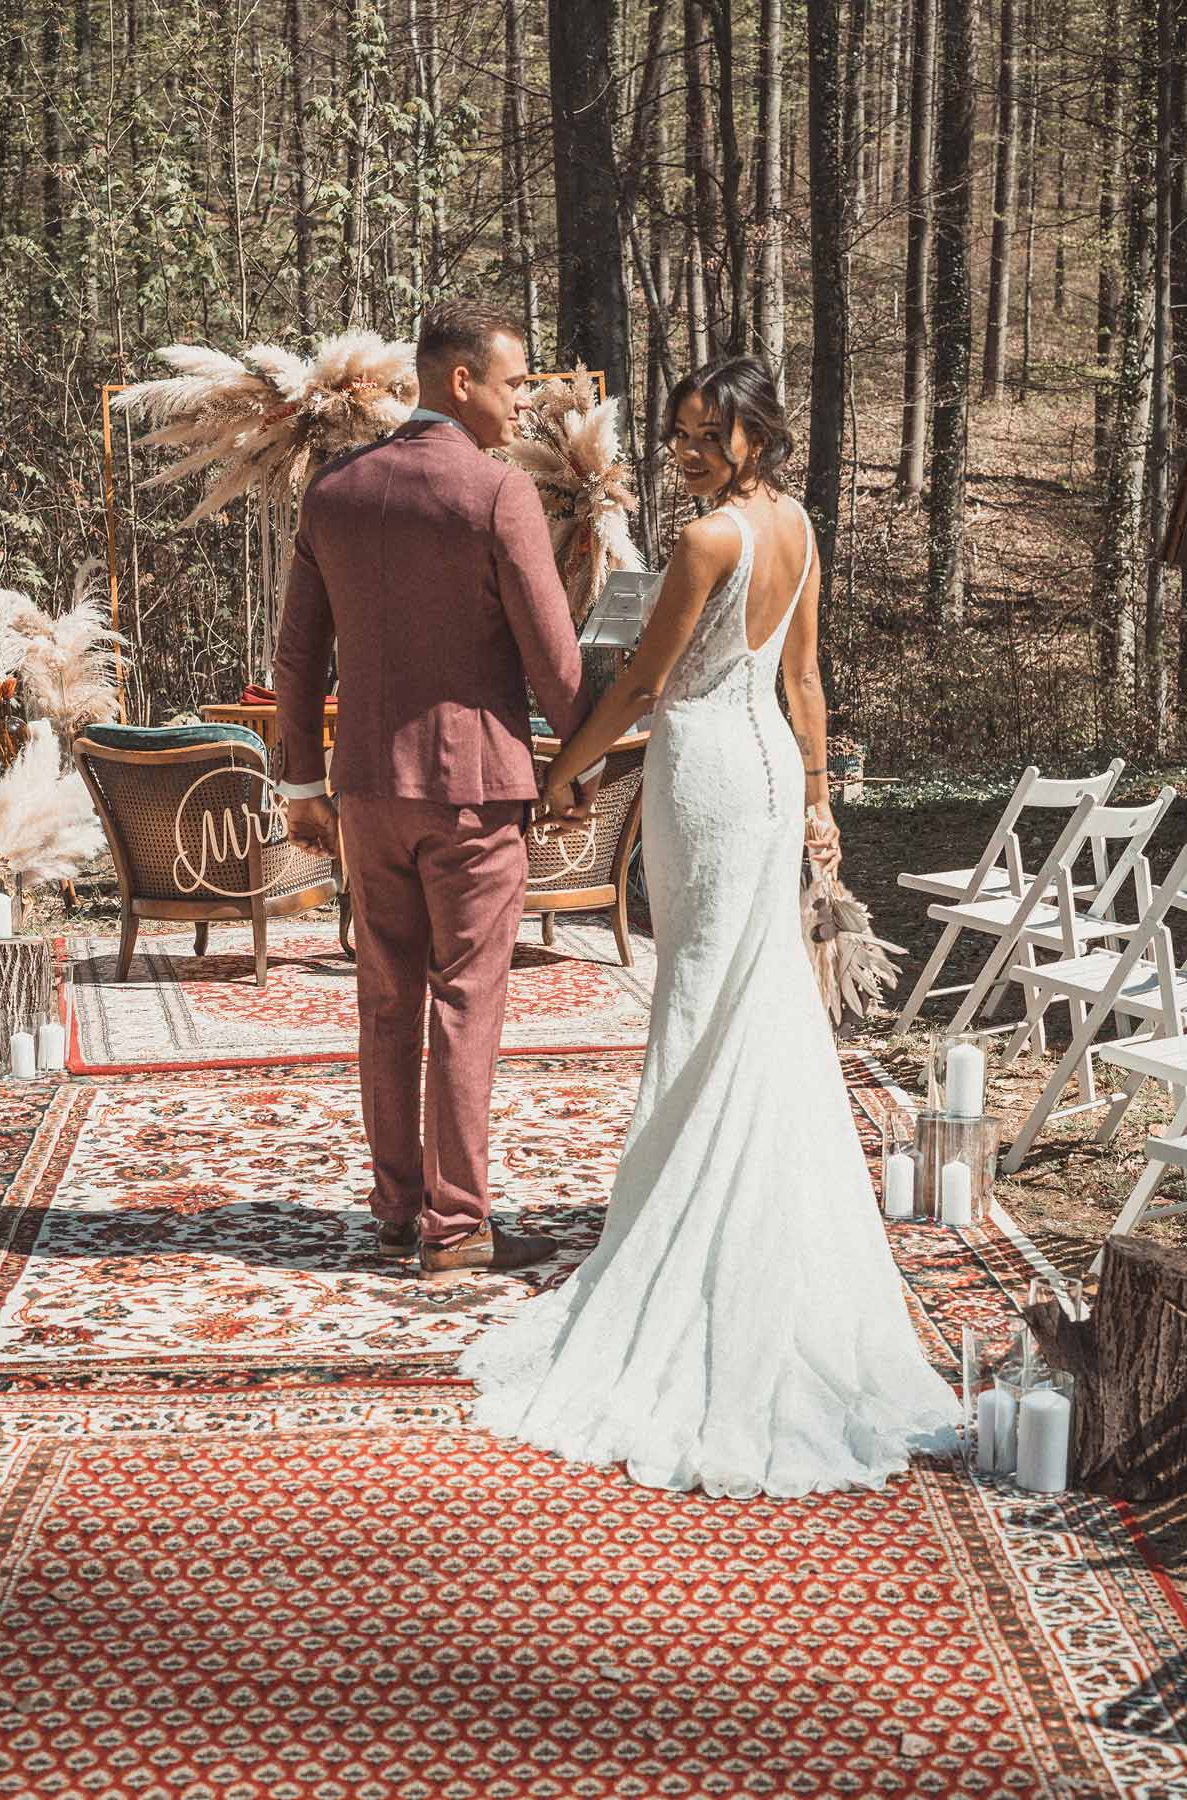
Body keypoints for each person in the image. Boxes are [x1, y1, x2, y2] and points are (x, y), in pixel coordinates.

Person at [461, 356, 962, 1496]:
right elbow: (805, 682)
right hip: (772, 772)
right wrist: (822, 799)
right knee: (757, 992)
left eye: (705, 435)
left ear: (755, 434)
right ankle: (754, 1212)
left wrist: (561, 775)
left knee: (699, 990)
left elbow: (641, 683)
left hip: (706, 775)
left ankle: (685, 1229)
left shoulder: (705, 544)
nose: (685, 453)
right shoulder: (795, 525)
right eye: (678, 433)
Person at [274, 299, 600, 1280]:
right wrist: (576, 766)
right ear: (458, 380)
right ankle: (458, 1230)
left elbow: (296, 661)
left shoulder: (332, 492)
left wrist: (297, 782)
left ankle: (393, 1211)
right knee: (467, 1001)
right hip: (473, 794)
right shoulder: (497, 496)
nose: (523, 401)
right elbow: (555, 659)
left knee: (386, 1000)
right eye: (512, 382)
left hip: (367, 791)